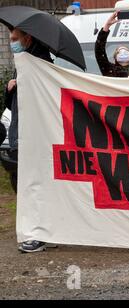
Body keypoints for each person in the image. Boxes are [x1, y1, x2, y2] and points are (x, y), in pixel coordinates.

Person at [4, 28, 53, 253]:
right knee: (26, 185)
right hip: (21, 132)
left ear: (28, 38)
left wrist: (23, 84)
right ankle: (37, 231)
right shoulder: (22, 62)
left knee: (36, 186)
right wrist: (11, 88)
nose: (12, 43)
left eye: (15, 39)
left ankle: (39, 234)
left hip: (35, 135)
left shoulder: (39, 62)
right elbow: (11, 105)